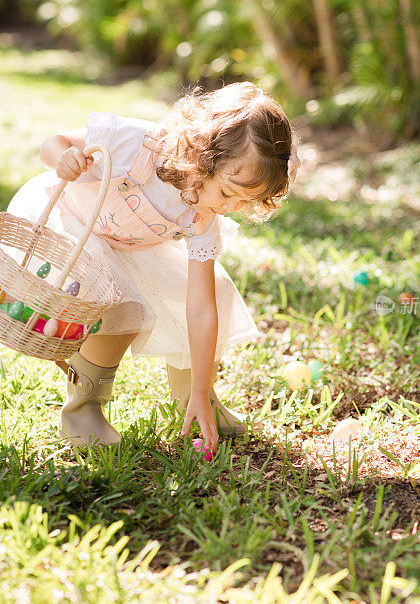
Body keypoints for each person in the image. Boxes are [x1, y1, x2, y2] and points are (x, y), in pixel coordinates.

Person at [7, 82, 301, 456]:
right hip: (70, 224)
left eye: (245, 202)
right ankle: (83, 409)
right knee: (123, 305)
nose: (228, 208)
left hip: (123, 243)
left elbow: (200, 308)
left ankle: (195, 400)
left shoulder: (202, 214)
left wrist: (199, 389)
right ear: (204, 156)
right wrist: (62, 158)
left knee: (211, 293)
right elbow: (56, 141)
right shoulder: (135, 145)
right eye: (228, 193)